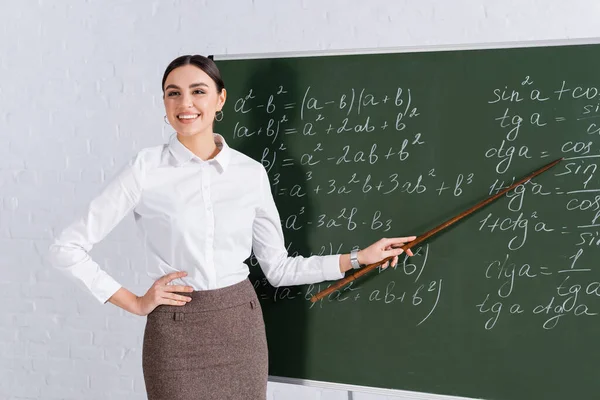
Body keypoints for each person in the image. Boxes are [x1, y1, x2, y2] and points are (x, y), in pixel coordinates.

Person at [47, 54, 416, 400]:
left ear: (220, 99)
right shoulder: (145, 170)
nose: (185, 103)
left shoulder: (250, 174)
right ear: (164, 103)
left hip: (240, 329)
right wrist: (135, 302)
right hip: (174, 334)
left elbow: (278, 269)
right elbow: (66, 249)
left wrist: (358, 257)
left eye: (198, 91)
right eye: (173, 93)